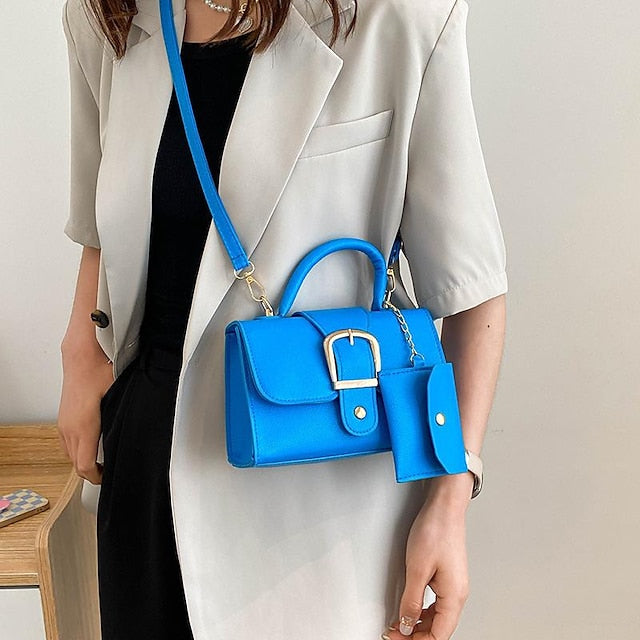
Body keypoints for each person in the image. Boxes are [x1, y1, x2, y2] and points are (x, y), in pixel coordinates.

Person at [56, 0, 508, 638]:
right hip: (146, 454)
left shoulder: (400, 18)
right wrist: (81, 353)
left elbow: (471, 291)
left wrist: (451, 495)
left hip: (321, 480)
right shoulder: (106, 14)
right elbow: (96, 220)